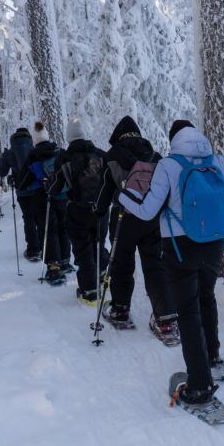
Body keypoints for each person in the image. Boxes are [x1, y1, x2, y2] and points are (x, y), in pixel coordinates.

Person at [117, 120, 224, 405]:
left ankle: (200, 385)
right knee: (206, 296)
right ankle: (212, 356)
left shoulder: (168, 166)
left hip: (180, 246)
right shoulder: (218, 162)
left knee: (188, 310)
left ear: (173, 140)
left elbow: (147, 211)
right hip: (215, 242)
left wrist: (123, 197)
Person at [95, 116, 179, 339]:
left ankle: (120, 310)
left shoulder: (111, 156)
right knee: (155, 265)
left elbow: (104, 190)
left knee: (122, 264)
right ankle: (166, 319)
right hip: (152, 218)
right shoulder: (154, 155)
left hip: (123, 219)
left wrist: (99, 211)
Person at [47, 118, 109, 305]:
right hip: (101, 209)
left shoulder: (64, 158)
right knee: (98, 242)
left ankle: (90, 291)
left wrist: (48, 184)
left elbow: (55, 188)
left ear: (69, 137)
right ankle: (103, 273)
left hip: (78, 210)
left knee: (83, 249)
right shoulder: (100, 154)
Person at [18, 121, 71, 285]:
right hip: (63, 196)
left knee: (48, 230)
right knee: (63, 228)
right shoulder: (60, 151)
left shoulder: (34, 156)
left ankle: (53, 267)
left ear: (35, 140)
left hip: (43, 198)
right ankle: (65, 261)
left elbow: (23, 182)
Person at [0, 127, 40, 261]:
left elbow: (0, 172)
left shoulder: (10, 153)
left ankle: (33, 250)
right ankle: (46, 247)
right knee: (40, 217)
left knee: (28, 218)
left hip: (22, 191)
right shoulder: (35, 150)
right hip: (38, 189)